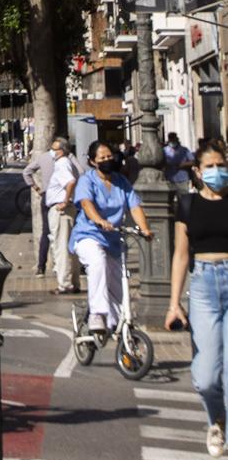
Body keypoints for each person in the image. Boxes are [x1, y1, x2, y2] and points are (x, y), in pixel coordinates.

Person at [168, 138, 228, 457]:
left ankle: (222, 427)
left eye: (222, 165)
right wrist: (174, 302)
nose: (217, 171)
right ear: (198, 170)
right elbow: (180, 256)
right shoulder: (188, 205)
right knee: (205, 377)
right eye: (211, 166)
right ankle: (215, 419)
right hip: (203, 286)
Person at [70, 139, 153, 340]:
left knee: (120, 280)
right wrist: (99, 220)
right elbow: (86, 203)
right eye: (102, 158)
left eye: (110, 156)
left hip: (114, 240)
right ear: (92, 161)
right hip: (89, 235)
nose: (108, 160)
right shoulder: (87, 181)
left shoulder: (121, 182)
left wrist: (145, 229)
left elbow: (134, 206)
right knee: (98, 262)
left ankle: (121, 323)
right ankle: (97, 314)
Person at [42, 133, 81, 294]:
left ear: (62, 150)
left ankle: (65, 284)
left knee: (61, 247)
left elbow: (70, 181)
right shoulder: (65, 162)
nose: (52, 151)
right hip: (64, 209)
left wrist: (65, 200)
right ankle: (72, 282)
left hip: (61, 211)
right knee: (68, 247)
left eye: (54, 149)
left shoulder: (62, 163)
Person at [22, 136, 52, 276]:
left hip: (46, 197)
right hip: (63, 199)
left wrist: (36, 188)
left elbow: (26, 172)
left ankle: (41, 266)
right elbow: (81, 172)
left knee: (46, 232)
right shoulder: (68, 158)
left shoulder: (43, 157)